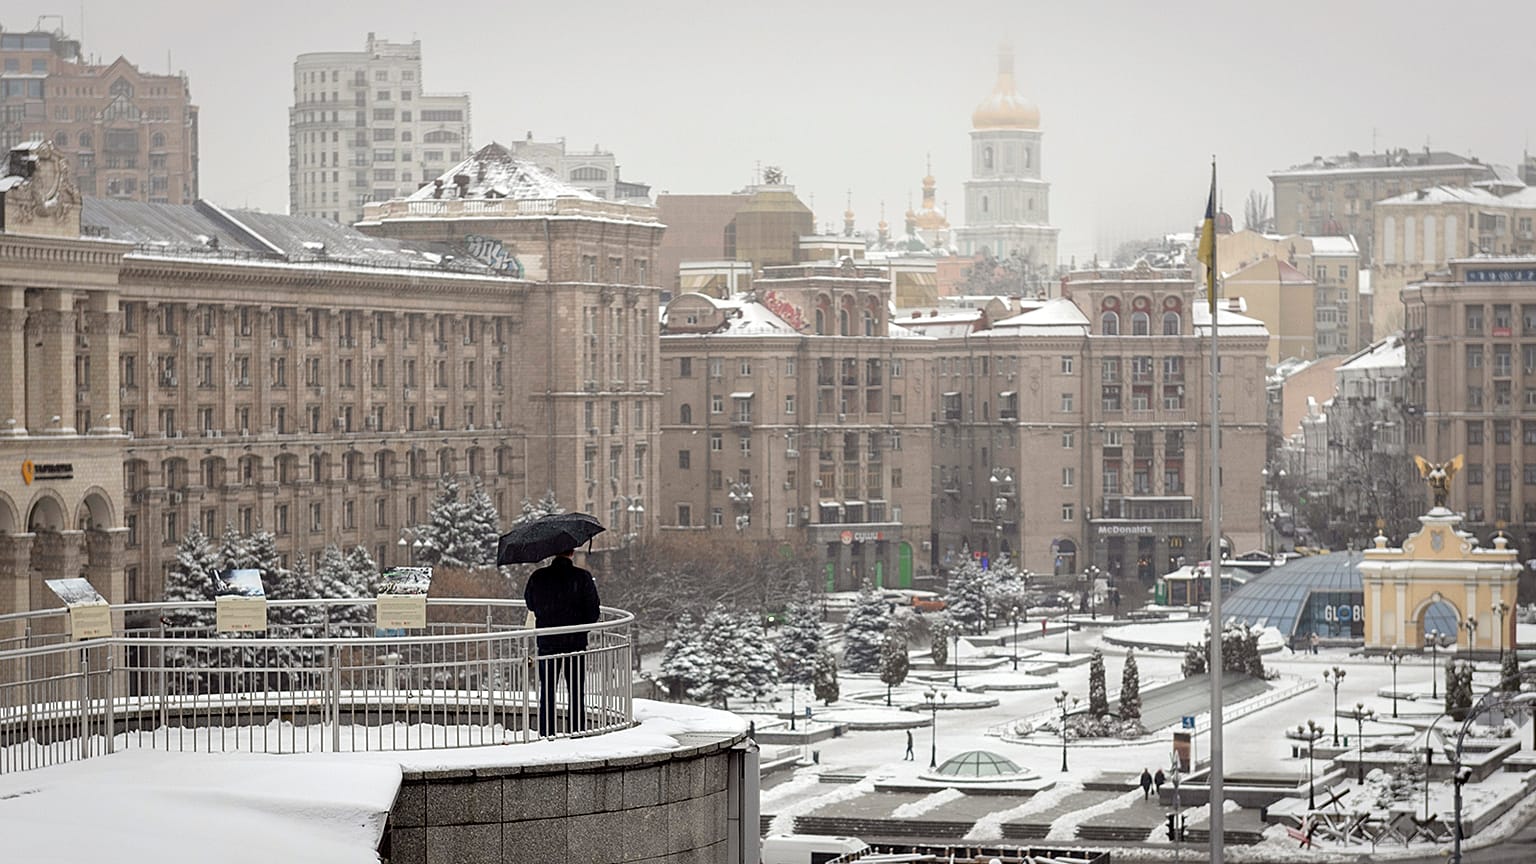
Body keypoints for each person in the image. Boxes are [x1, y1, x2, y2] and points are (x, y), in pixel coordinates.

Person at [523, 547, 602, 736]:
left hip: (548, 642)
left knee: (548, 690)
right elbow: (593, 611)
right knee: (576, 690)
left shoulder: (539, 577)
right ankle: (576, 731)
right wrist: (579, 628)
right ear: (572, 553)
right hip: (575, 643)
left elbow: (531, 604)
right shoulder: (582, 578)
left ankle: (547, 732)